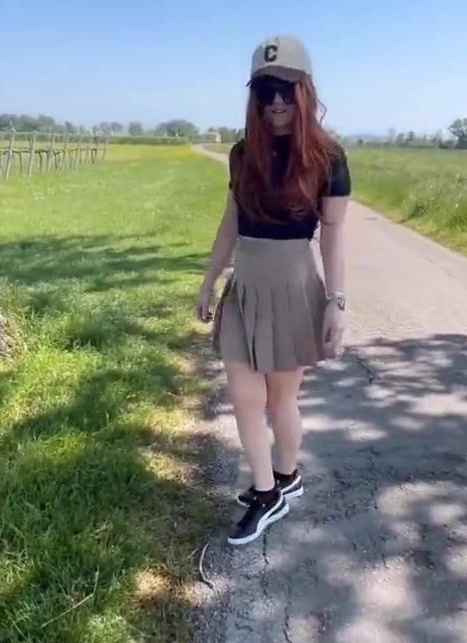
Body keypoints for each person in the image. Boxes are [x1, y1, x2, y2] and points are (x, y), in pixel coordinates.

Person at [195, 35, 352, 546]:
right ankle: (266, 493)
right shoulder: (244, 154)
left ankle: (288, 475)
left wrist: (336, 302)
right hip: (246, 286)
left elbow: (334, 233)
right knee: (244, 395)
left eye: (286, 89)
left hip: (293, 286)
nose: (277, 101)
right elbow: (231, 221)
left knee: (282, 400)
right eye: (266, 91)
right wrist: (209, 279)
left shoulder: (329, 156)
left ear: (305, 92)